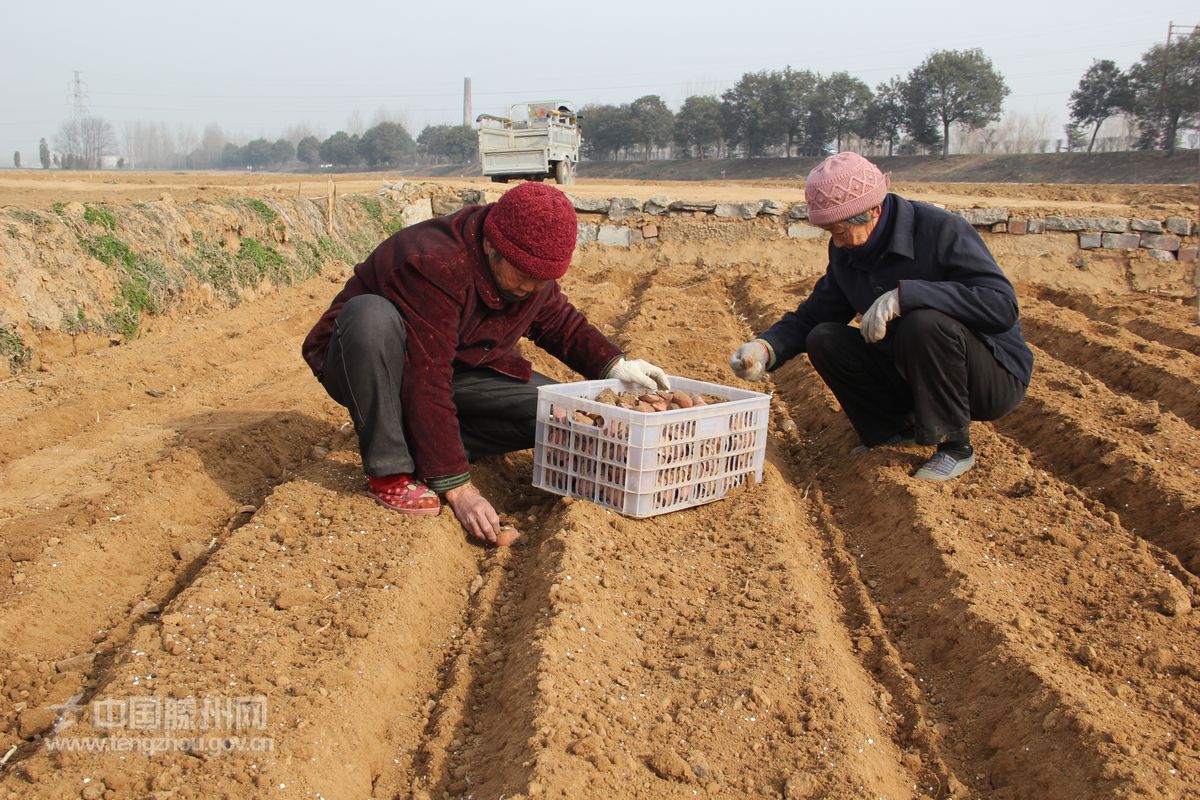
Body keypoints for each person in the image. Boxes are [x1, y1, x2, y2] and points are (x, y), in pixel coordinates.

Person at [302, 182, 669, 543]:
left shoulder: (528, 269)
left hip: (457, 361)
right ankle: (391, 471)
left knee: (554, 409)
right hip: (367, 360)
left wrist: (615, 366)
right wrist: (459, 490)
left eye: (542, 281)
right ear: (492, 246)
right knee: (371, 316)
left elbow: (557, 321)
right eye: (524, 277)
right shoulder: (436, 262)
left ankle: (421, 445)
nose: (531, 287)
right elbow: (426, 377)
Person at [729, 152, 1032, 481]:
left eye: (841, 230)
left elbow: (1001, 306)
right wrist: (766, 347)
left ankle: (955, 447)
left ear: (874, 210)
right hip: (912, 371)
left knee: (924, 322)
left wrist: (909, 295)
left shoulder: (941, 231)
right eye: (830, 231)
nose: (837, 241)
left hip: (989, 377)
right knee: (825, 338)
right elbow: (817, 313)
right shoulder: (848, 250)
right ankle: (891, 431)